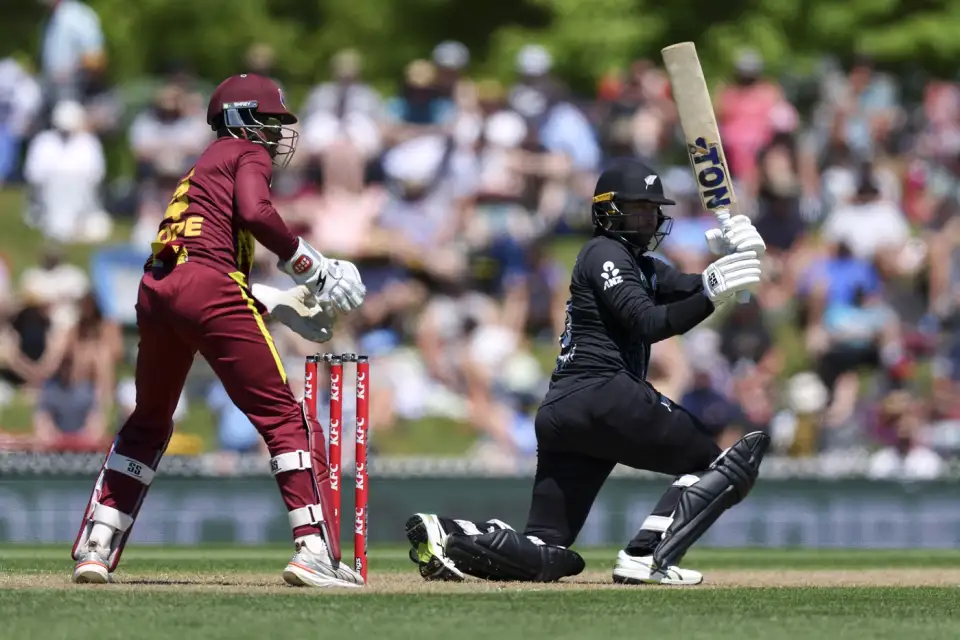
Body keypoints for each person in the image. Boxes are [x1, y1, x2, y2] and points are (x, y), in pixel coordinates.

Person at [403, 159, 770, 585]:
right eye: (635, 209)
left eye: (652, 211)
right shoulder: (603, 252)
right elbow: (650, 322)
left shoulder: (643, 266)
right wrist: (712, 291)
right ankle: (646, 557)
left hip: (565, 411)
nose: (646, 219)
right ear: (605, 211)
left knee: (548, 551)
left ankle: (451, 535)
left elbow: (693, 286)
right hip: (604, 392)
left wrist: (737, 257)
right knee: (720, 464)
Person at [71, 73, 367, 588]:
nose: (276, 135)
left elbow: (192, 270)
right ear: (241, 118)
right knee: (284, 419)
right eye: (270, 121)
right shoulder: (241, 151)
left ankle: (97, 544)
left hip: (158, 288)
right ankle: (313, 549)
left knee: (148, 422)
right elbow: (254, 215)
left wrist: (270, 298)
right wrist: (310, 267)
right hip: (207, 288)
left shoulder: (200, 170)